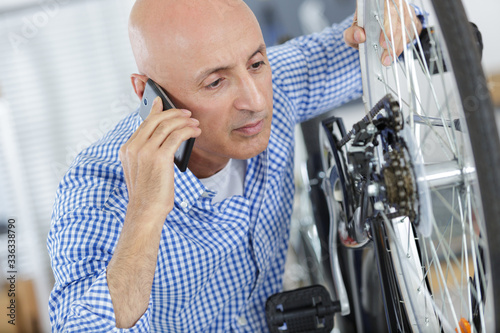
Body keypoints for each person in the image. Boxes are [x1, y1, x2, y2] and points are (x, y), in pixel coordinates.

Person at [47, 0, 422, 331]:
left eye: (257, 62)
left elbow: (386, 39)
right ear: (149, 93)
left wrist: (395, 17)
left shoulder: (269, 84)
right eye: (215, 83)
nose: (256, 99)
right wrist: (144, 215)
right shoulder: (94, 189)